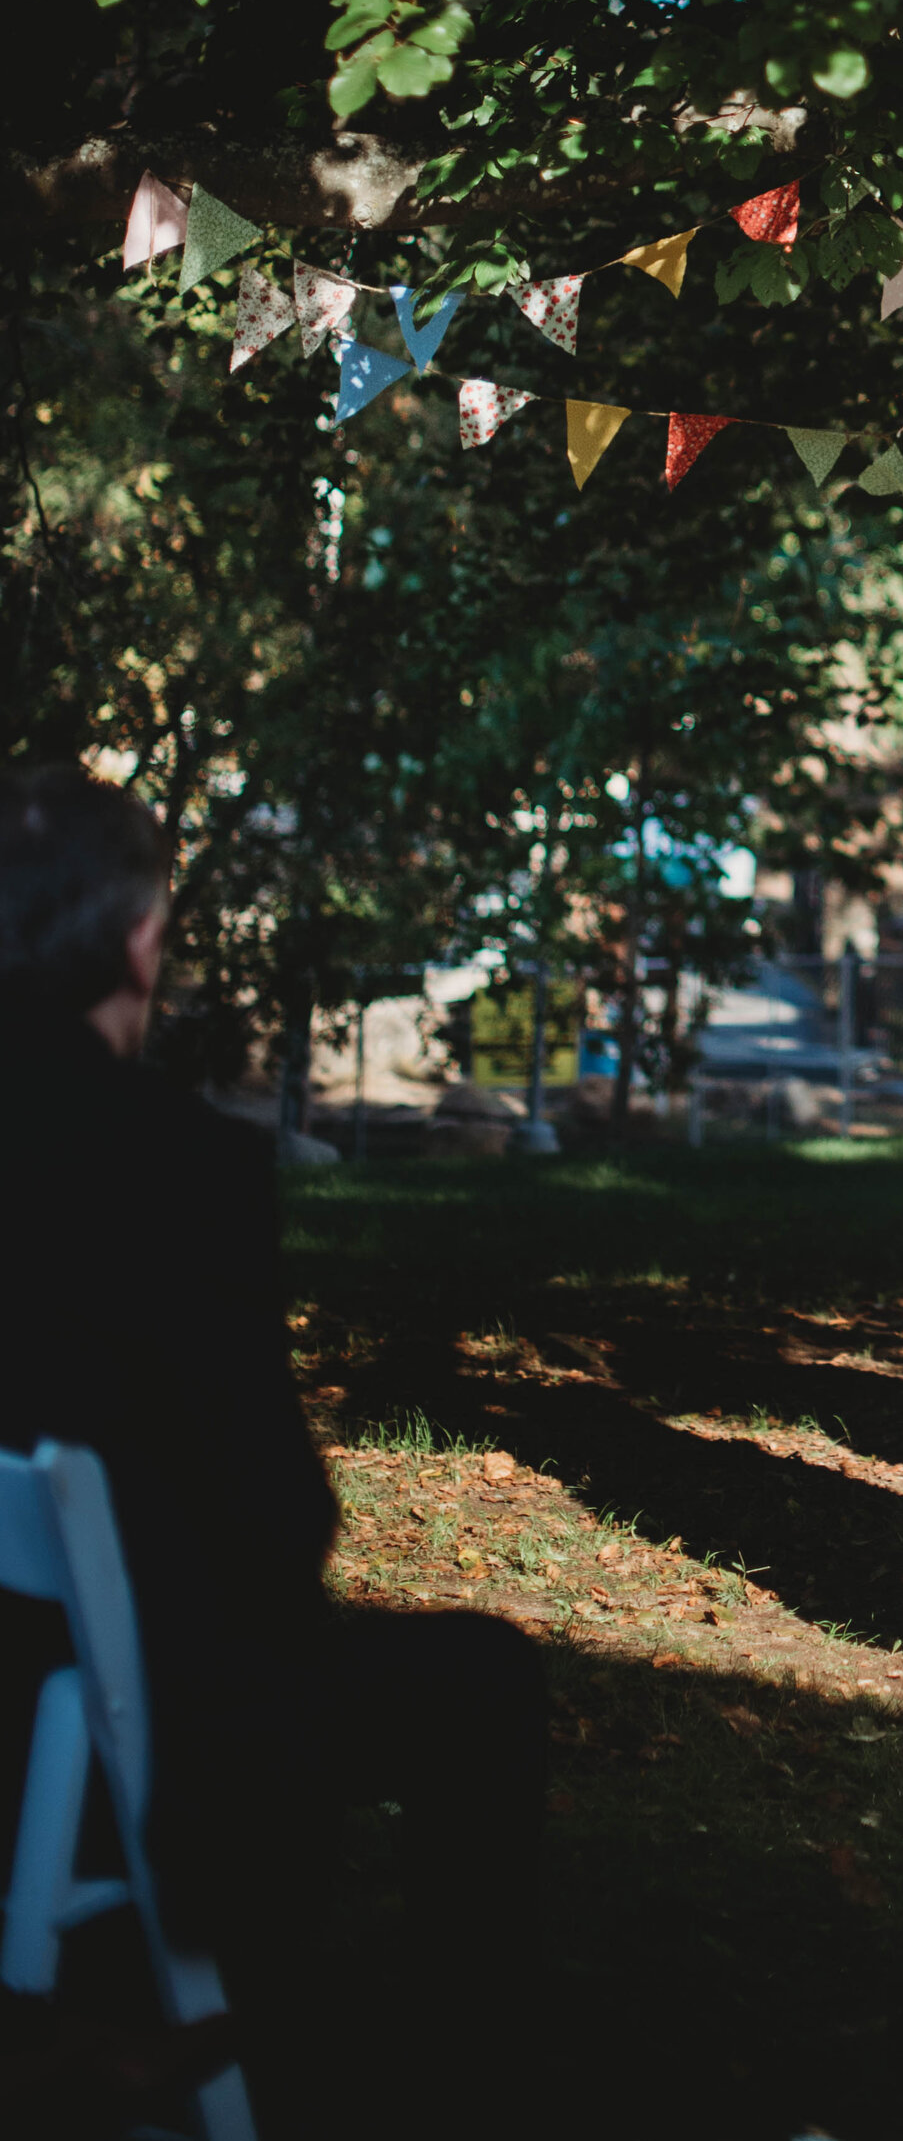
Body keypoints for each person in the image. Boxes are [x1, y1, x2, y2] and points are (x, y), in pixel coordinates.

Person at [0, 766, 545, 2002]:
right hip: (117, 1716)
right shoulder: (180, 1165)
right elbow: (279, 1518)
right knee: (482, 1680)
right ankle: (458, 2095)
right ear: (140, 945)